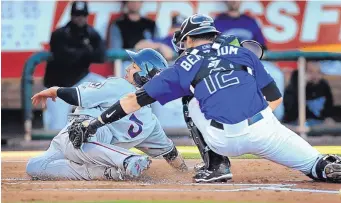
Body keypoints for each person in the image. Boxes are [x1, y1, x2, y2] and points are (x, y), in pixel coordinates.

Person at [67, 14, 341, 184]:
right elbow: (274, 98)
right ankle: (322, 167)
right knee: (315, 164)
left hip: (223, 138)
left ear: (188, 38)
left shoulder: (183, 65)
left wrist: (94, 125)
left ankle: (216, 166)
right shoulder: (243, 53)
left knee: (191, 97)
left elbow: (132, 101)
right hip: (266, 130)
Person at [26, 48, 188, 181]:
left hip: (83, 135)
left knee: (80, 135)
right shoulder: (151, 123)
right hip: (89, 151)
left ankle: (127, 160)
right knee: (35, 166)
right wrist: (185, 171)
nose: (127, 68)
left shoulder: (120, 85)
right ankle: (109, 172)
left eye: (134, 66)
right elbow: (170, 153)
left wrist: (54, 90)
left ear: (144, 75)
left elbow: (76, 95)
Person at [43, 1, 106, 130]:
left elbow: (100, 56)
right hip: (58, 84)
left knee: (105, 86)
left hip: (81, 78)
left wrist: (80, 52)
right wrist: (86, 50)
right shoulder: (60, 34)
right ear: (71, 15)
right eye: (77, 15)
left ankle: (103, 128)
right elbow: (66, 58)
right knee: (57, 128)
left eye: (83, 15)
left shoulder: (91, 33)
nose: (80, 18)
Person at [283, 61, 341, 126]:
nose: (315, 76)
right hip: (297, 123)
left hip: (319, 123)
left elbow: (328, 107)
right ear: (303, 72)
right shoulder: (293, 86)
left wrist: (328, 118)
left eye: (318, 72)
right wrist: (301, 86)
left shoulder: (323, 85)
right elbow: (291, 112)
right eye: (310, 72)